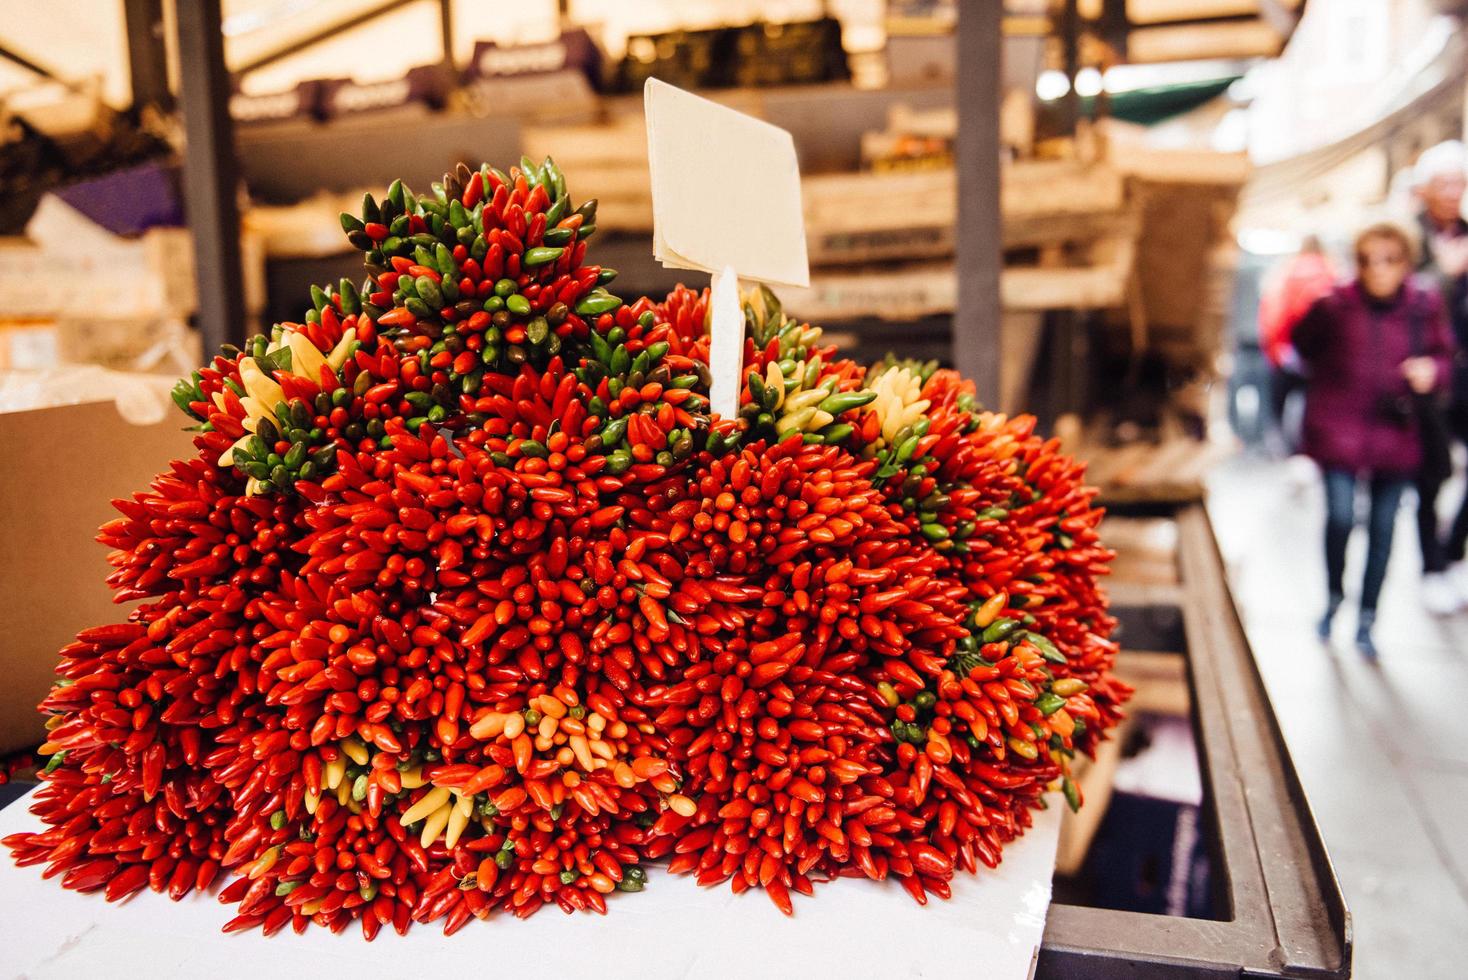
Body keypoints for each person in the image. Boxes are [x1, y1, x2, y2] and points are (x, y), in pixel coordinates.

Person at [1293, 222, 1454, 657]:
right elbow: (1300, 348)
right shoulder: (1335, 305)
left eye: (1387, 259)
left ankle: (1367, 616)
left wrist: (1432, 373)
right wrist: (1316, 309)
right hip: (1338, 430)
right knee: (1341, 518)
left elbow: (1446, 358)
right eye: (1366, 260)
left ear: (1405, 262)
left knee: (1384, 530)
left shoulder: (1424, 305)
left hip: (1396, 434)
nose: (1377, 270)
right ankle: (1332, 598)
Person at [1413, 141, 1468, 613]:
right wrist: (1447, 275)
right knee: (1432, 474)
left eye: (1460, 183)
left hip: (1464, 369)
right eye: (1445, 183)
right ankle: (1431, 565)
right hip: (1427, 376)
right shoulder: (1407, 240)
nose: (1453, 192)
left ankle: (1453, 552)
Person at [1258, 234, 1337, 455]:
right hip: (1322, 356)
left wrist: (1276, 351)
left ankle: (1284, 448)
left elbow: (1273, 315)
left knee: (1279, 406)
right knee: (1315, 403)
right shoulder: (1332, 272)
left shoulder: (1284, 273)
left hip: (1287, 352)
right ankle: (1313, 447)